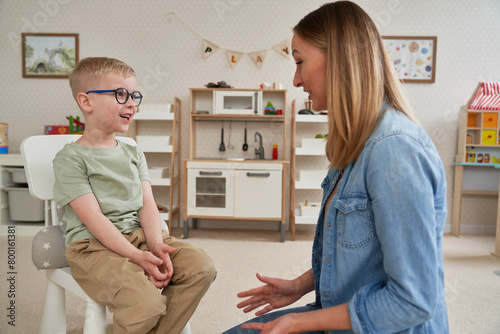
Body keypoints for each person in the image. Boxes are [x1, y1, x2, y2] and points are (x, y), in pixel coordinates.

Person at [222, 1, 448, 333]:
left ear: (340, 60)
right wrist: (300, 286)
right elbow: (360, 252)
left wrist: (301, 320)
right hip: (344, 313)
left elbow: (414, 299)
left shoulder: (394, 150)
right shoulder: (357, 144)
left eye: (299, 62)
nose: (296, 80)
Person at [53, 57, 217, 334]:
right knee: (146, 303)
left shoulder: (132, 151)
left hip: (140, 237)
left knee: (202, 268)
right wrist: (136, 257)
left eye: (134, 95)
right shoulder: (70, 159)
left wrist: (155, 245)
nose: (132, 103)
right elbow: (93, 219)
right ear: (86, 102)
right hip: (93, 247)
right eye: (121, 95)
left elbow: (148, 205)